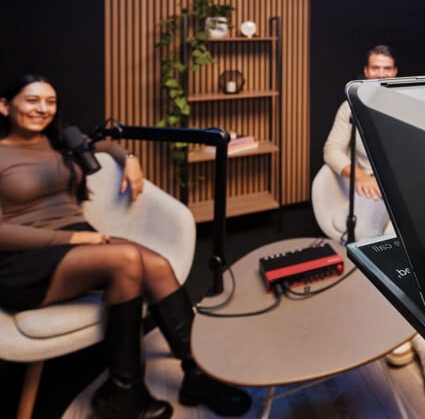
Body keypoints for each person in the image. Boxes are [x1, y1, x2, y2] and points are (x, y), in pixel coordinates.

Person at [0, 74, 251, 418]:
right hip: (24, 260)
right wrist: (72, 238)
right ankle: (125, 392)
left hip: (78, 241)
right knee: (127, 259)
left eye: (50, 101)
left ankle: (196, 375)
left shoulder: (60, 142)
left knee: (158, 265)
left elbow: (103, 145)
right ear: (4, 105)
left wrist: (129, 157)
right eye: (32, 100)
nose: (42, 109)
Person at [322, 45, 425, 392]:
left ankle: (412, 337)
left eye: (387, 68)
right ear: (366, 69)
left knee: (406, 245)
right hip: (371, 191)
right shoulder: (350, 107)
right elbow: (331, 150)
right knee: (378, 242)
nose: (380, 73)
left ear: (395, 72)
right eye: (375, 67)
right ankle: (416, 338)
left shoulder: (408, 105)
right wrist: (357, 175)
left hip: (404, 190)